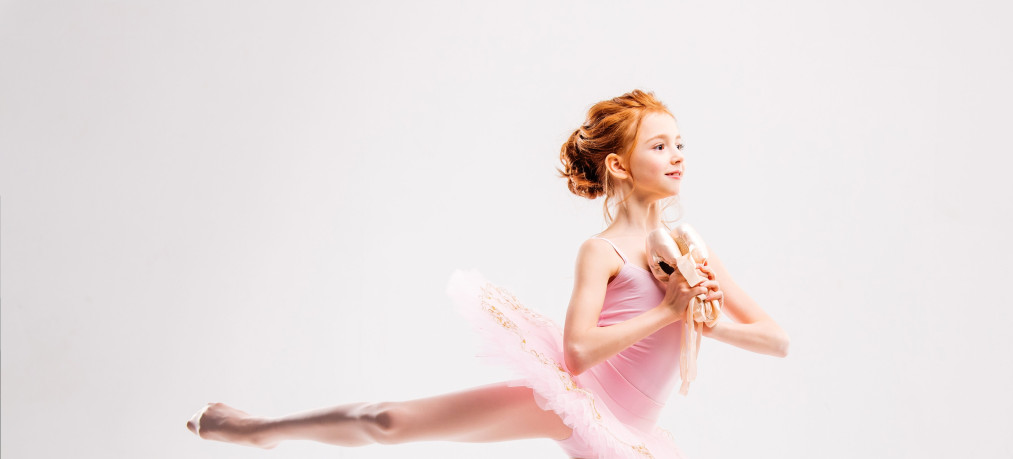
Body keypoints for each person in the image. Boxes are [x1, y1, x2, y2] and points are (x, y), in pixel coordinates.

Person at [184, 89, 790, 458]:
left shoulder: (689, 250)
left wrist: (702, 321)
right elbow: (578, 355)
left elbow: (775, 339)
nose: (677, 155)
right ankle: (256, 429)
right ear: (618, 165)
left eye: (680, 143)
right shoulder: (601, 251)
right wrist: (666, 312)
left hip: (633, 434)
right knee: (390, 421)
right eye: (659, 146)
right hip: (579, 402)